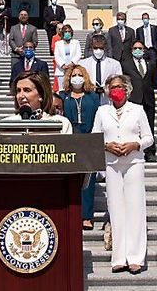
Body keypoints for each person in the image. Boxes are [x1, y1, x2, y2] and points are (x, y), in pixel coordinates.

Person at [92, 74, 154, 274]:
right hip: (111, 164)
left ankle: (136, 257)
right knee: (116, 209)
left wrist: (135, 144)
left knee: (135, 208)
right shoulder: (102, 111)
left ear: (127, 90)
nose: (116, 90)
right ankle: (118, 257)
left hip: (133, 162)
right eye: (112, 87)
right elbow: (95, 136)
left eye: (119, 86)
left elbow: (148, 137)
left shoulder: (137, 110)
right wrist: (106, 145)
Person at [60, 66, 99, 228]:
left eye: (80, 75)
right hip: (69, 140)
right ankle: (69, 213)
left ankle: (86, 216)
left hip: (89, 140)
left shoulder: (93, 97)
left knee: (88, 181)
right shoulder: (63, 96)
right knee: (69, 179)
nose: (77, 78)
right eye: (74, 75)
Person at [121, 41, 157, 162]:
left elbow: (154, 81)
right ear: (132, 50)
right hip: (134, 99)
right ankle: (134, 150)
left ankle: (149, 151)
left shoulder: (151, 63)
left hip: (148, 99)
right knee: (133, 126)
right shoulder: (126, 64)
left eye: (140, 48)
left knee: (149, 125)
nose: (138, 50)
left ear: (144, 50)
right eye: (135, 48)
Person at [3, 71, 72, 133]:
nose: (20, 96)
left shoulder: (61, 123)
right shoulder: (5, 124)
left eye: (27, 90)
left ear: (41, 95)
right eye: (18, 91)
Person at [53, 24, 81, 92]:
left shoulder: (76, 42)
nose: (67, 33)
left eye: (69, 31)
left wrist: (72, 63)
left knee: (73, 89)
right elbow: (57, 55)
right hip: (61, 70)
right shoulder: (58, 43)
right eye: (65, 31)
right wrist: (62, 65)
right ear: (63, 33)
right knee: (62, 89)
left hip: (72, 68)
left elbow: (78, 54)